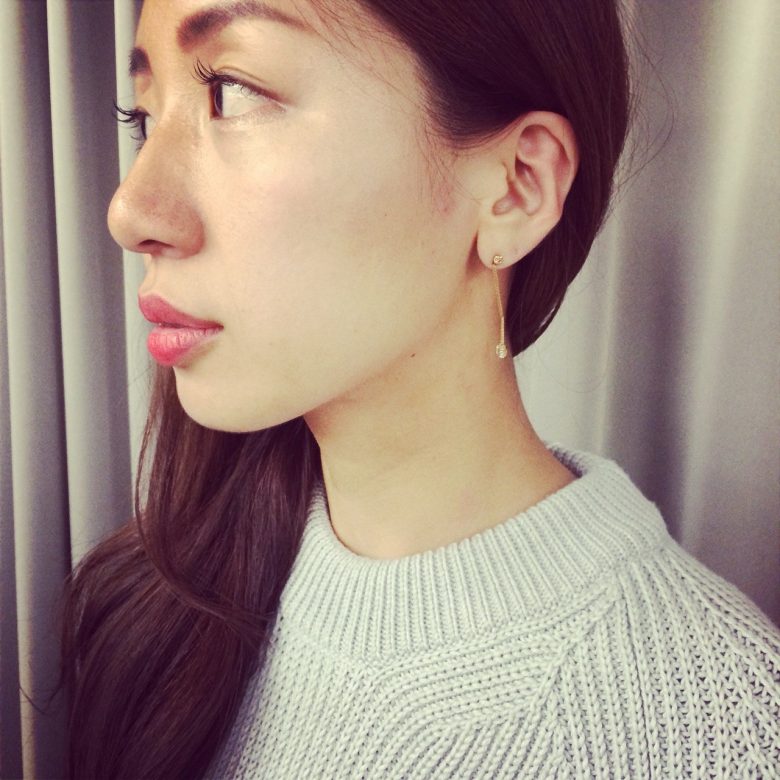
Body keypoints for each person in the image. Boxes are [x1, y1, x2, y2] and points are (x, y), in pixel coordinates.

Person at [50, 0, 779, 778]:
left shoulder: (722, 727)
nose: (130, 210)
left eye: (232, 91)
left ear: (517, 187)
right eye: (143, 117)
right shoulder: (153, 606)